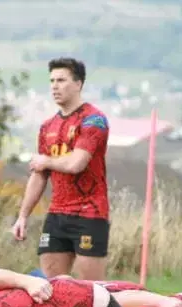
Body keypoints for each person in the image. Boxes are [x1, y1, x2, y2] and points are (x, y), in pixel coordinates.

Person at [11, 57, 111, 281]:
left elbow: (77, 163)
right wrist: (23, 216)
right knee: (52, 287)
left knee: (91, 290)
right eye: (52, 81)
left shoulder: (94, 120)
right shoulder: (47, 126)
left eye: (62, 80)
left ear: (78, 84)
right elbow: (39, 175)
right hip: (57, 214)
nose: (55, 86)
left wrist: (45, 161)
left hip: (89, 213)